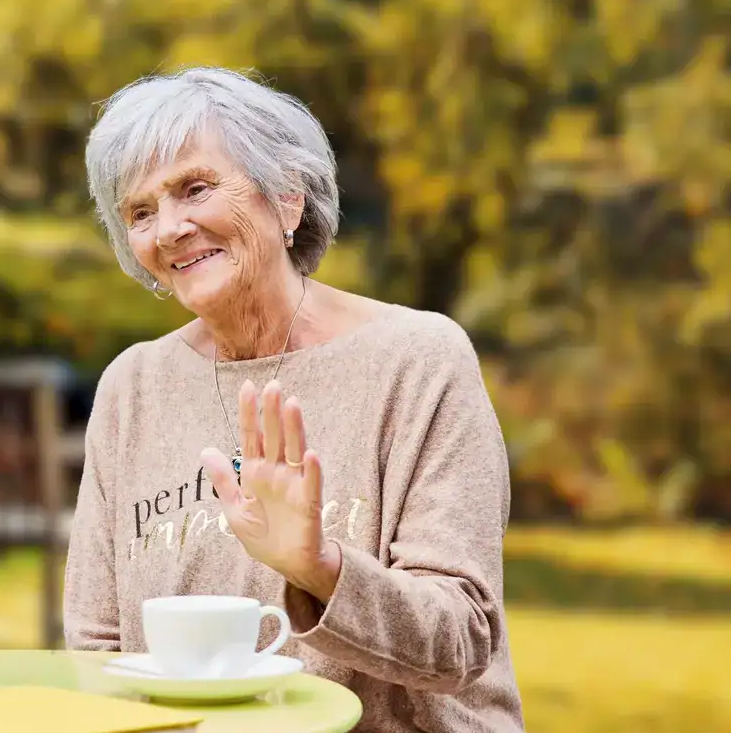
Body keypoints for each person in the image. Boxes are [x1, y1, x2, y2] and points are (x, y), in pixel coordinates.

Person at [63, 66, 525, 732]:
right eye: (140, 212)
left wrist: (319, 568)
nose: (168, 229)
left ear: (286, 198)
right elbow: (97, 648)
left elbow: (461, 638)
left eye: (195, 188)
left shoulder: (418, 360)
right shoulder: (131, 387)